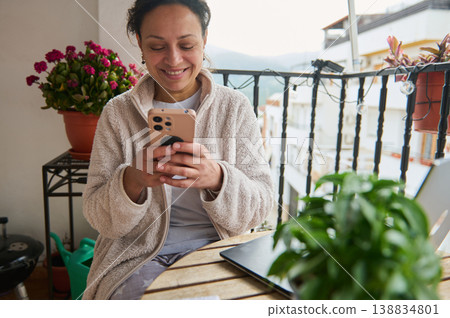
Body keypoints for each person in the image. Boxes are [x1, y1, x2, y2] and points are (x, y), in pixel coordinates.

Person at [82, 0, 274, 300]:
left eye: (186, 44)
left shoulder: (234, 108)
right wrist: (132, 180)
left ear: (205, 41)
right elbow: (99, 217)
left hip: (219, 252)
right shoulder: (117, 113)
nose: (173, 59)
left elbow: (261, 206)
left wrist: (217, 178)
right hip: (137, 260)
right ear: (140, 45)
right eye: (157, 46)